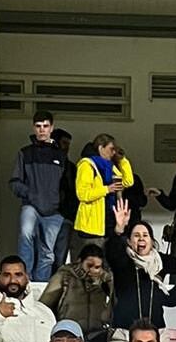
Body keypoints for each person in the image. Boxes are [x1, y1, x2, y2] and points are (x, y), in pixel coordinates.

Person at [104, 203, 176, 342]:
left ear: (152, 241)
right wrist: (119, 230)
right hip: (124, 332)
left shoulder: (160, 261)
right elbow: (112, 251)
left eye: (145, 235)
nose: (141, 238)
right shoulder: (123, 261)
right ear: (129, 241)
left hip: (157, 331)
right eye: (136, 235)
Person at [11, 111, 68, 282]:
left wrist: (61, 202)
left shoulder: (61, 156)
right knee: (26, 235)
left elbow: (67, 185)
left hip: (55, 210)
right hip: (31, 205)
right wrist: (31, 194)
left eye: (45, 126)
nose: (42, 129)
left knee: (47, 252)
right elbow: (15, 182)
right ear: (33, 128)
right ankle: (25, 280)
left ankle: (40, 287)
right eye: (38, 126)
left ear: (51, 128)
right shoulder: (25, 153)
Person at [40, 244, 114, 342]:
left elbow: (116, 301)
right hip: (69, 336)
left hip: (95, 335)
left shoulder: (103, 280)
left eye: (97, 267)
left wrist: (108, 280)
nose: (92, 270)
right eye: (89, 265)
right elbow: (44, 306)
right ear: (80, 261)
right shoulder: (65, 276)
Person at [73, 133, 130, 253]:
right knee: (91, 259)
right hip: (91, 226)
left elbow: (128, 181)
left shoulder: (110, 166)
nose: (113, 153)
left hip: (108, 222)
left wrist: (122, 159)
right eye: (111, 149)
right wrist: (106, 189)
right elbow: (82, 194)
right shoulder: (86, 165)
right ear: (100, 148)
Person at [52, 128, 78, 265]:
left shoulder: (71, 168)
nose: (67, 147)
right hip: (47, 214)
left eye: (68, 144)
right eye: (64, 143)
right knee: (45, 257)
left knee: (60, 257)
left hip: (66, 216)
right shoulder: (46, 165)